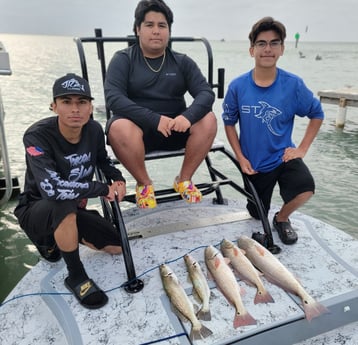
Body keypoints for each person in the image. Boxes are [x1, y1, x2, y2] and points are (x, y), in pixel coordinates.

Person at [14, 73, 127, 309]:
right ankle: (75, 275)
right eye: (66, 102)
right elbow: (52, 189)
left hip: (71, 207)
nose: (75, 109)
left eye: (81, 102)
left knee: (116, 246)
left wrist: (118, 179)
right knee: (62, 202)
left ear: (90, 107)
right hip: (36, 207)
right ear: (54, 106)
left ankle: (65, 236)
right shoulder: (36, 136)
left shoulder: (94, 130)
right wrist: (102, 188)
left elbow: (102, 161)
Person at [104, 0, 217, 209]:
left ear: (169, 31)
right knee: (118, 126)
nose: (156, 31)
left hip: (176, 129)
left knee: (208, 119)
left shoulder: (182, 61)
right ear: (138, 29)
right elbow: (113, 98)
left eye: (162, 26)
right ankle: (144, 184)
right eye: (149, 25)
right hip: (137, 133)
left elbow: (206, 93)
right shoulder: (123, 59)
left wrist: (187, 117)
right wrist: (154, 119)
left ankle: (183, 180)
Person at [222, 17, 324, 245]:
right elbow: (229, 122)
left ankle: (282, 218)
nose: (267, 49)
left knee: (306, 188)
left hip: (283, 155)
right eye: (261, 43)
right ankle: (265, 209)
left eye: (274, 43)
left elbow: (317, 114)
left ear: (282, 49)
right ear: (252, 50)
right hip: (255, 164)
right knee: (256, 214)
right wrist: (240, 157)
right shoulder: (237, 87)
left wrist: (302, 149)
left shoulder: (293, 85)